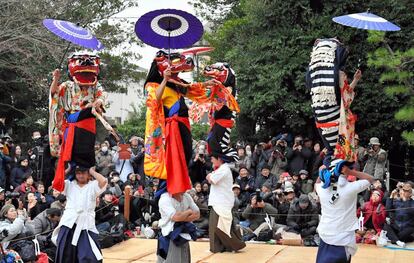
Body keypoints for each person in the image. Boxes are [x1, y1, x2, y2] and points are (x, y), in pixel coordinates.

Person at [144, 50, 216, 195]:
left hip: (183, 125)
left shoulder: (177, 84)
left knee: (185, 158)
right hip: (171, 129)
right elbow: (155, 99)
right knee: (173, 164)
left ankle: (177, 192)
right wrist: (165, 79)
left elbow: (192, 89)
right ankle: (162, 196)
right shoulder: (152, 85)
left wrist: (207, 83)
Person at [316, 163, 374, 263]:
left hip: (326, 233)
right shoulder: (350, 188)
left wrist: (321, 172)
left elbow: (316, 184)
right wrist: (351, 172)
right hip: (343, 237)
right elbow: (370, 179)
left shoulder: (322, 189)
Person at [52, 166, 107, 262]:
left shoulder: (93, 185)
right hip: (69, 222)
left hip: (86, 225)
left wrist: (92, 171)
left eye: (83, 173)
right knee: (65, 256)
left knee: (90, 257)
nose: (81, 175)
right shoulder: (69, 184)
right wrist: (69, 168)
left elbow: (103, 182)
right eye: (78, 173)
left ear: (88, 174)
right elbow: (55, 183)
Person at [206, 155, 245, 253]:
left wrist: (210, 176)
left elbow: (211, 179)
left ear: (219, 159)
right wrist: (210, 175)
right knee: (216, 226)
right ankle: (219, 248)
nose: (211, 160)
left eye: (213, 158)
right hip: (218, 202)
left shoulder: (224, 169)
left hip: (221, 202)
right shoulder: (222, 169)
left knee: (220, 227)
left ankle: (236, 245)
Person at [157, 185, 200, 263]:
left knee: (185, 260)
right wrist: (188, 212)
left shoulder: (186, 196)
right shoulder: (165, 198)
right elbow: (176, 217)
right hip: (169, 236)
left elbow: (197, 214)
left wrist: (181, 217)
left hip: (184, 234)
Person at [383, 183, 414, 247]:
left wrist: (405, 200)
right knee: (385, 226)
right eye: (403, 191)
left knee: (406, 232)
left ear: (410, 194)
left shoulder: (412, 202)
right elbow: (388, 210)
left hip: (408, 227)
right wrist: (391, 196)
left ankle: (394, 239)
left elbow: (410, 211)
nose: (403, 192)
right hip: (397, 226)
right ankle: (398, 241)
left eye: (406, 191)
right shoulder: (397, 201)